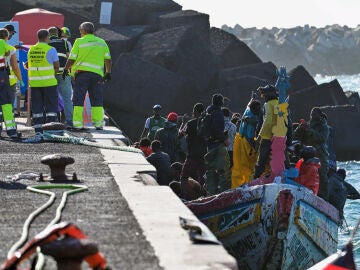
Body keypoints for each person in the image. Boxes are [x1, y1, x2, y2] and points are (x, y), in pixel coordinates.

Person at [62, 22, 111, 130]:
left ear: (84, 30)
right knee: (97, 99)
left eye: (80, 30)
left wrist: (66, 70)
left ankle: (78, 125)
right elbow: (108, 59)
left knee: (78, 99)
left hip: (82, 75)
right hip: (97, 75)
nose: (80, 32)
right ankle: (98, 124)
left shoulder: (79, 41)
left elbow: (71, 59)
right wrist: (108, 72)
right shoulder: (101, 42)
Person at [27, 29, 59, 134]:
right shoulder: (51, 49)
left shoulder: (31, 50)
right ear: (47, 37)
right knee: (51, 108)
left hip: (35, 83)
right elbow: (56, 66)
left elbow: (28, 65)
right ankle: (51, 131)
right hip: (49, 83)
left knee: (37, 108)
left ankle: (38, 130)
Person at [294, 107, 330, 200]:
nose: (312, 116)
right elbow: (295, 136)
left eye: (314, 114)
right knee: (304, 174)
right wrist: (300, 128)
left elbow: (321, 138)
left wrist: (309, 130)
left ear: (319, 115)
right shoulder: (308, 124)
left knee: (322, 177)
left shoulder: (323, 126)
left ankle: (324, 199)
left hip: (320, 154)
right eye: (311, 114)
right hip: (307, 154)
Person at [203, 94, 231, 195]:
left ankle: (210, 193)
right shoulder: (218, 113)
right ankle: (223, 194)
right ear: (221, 102)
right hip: (218, 146)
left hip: (209, 146)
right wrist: (224, 139)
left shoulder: (208, 112)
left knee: (211, 172)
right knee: (223, 171)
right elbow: (216, 129)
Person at [232, 98, 261, 188]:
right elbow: (250, 137)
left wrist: (252, 98)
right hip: (246, 144)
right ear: (254, 109)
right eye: (258, 109)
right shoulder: (252, 119)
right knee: (248, 167)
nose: (259, 111)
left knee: (238, 167)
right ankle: (248, 186)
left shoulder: (248, 110)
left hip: (239, 141)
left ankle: (237, 186)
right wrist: (255, 146)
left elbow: (248, 106)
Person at [48, 27, 73, 127]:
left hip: (51, 74)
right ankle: (69, 122)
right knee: (67, 98)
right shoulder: (64, 43)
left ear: (48, 34)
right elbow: (69, 57)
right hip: (64, 74)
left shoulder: (47, 43)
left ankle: (54, 121)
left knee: (52, 98)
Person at [253, 85, 278, 178]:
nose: (263, 97)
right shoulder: (280, 103)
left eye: (264, 94)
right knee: (279, 161)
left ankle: (254, 182)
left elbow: (268, 120)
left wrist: (259, 136)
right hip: (279, 137)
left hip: (267, 138)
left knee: (261, 162)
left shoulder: (268, 105)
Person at [178, 103, 207, 185]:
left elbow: (180, 135)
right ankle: (203, 195)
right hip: (204, 155)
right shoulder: (206, 123)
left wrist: (183, 123)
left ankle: (185, 194)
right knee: (202, 178)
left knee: (184, 176)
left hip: (192, 155)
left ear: (195, 111)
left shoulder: (190, 123)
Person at [0, 28, 20, 138]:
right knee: (6, 102)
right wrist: (20, 79)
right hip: (2, 76)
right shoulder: (8, 47)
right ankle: (11, 130)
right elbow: (14, 65)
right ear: (7, 37)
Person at [4, 24, 23, 106]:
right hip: (8, 80)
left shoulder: (9, 47)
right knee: (8, 103)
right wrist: (20, 79)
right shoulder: (10, 49)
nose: (12, 35)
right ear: (8, 33)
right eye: (12, 33)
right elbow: (15, 66)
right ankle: (7, 118)